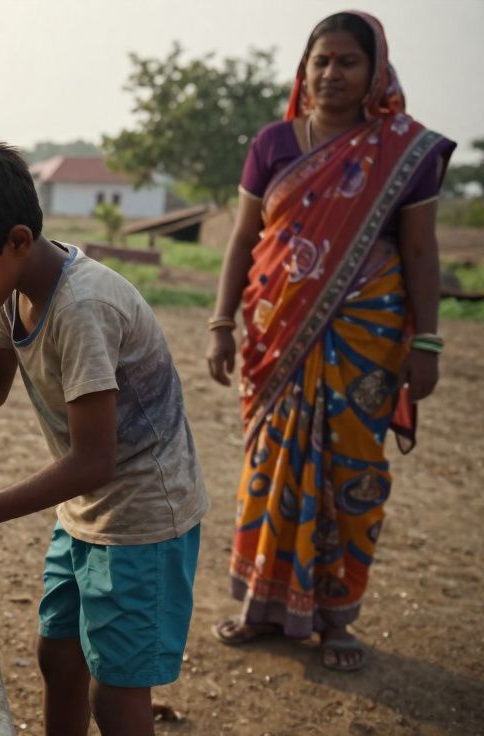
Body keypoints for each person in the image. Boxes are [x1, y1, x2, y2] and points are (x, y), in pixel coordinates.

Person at [0, 138, 209, 736]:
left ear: (17, 241)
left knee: (116, 695)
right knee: (58, 657)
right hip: (86, 511)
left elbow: (94, 461)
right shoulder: (10, 293)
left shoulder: (82, 307)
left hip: (143, 519)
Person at [205, 11, 455, 672]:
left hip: (366, 340)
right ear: (304, 69)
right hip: (275, 336)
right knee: (268, 468)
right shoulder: (273, 143)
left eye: (348, 61)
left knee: (352, 473)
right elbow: (244, 238)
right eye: (321, 60)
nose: (331, 73)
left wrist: (427, 342)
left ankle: (337, 619)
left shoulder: (403, 152)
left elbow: (420, 250)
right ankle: (260, 605)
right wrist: (222, 322)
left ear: (376, 72)